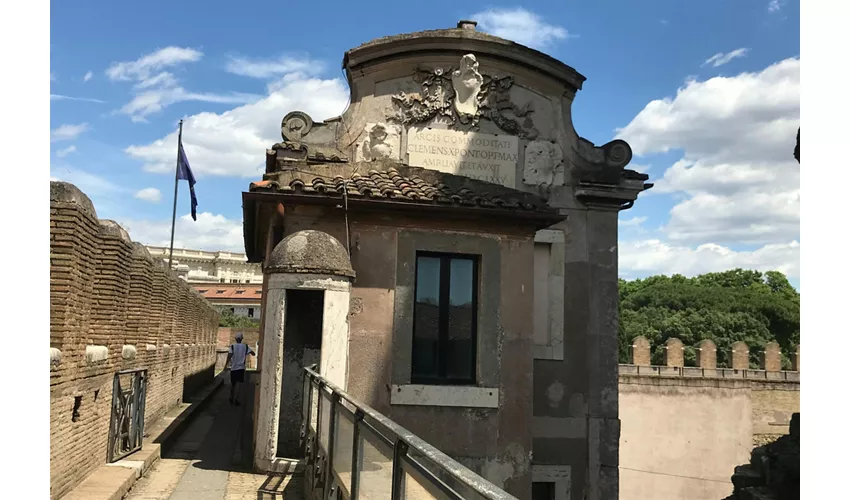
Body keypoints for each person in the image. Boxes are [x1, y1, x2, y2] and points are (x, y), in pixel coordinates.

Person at [225, 332, 255, 406]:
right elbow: (253, 353)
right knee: (239, 384)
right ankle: (237, 399)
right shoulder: (245, 346)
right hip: (241, 368)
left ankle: (231, 397)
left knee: (233, 384)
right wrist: (247, 352)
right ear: (242, 339)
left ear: (235, 339)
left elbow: (229, 356)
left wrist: (225, 365)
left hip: (233, 368)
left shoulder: (232, 346)